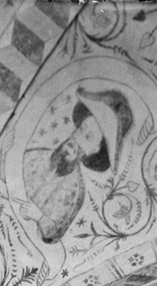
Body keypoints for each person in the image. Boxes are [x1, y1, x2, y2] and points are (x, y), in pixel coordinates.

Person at [22, 87, 134, 244]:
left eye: (88, 137)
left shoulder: (74, 192)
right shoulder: (38, 155)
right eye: (81, 129)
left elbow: (54, 234)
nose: (77, 139)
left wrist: (40, 217)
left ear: (93, 150)